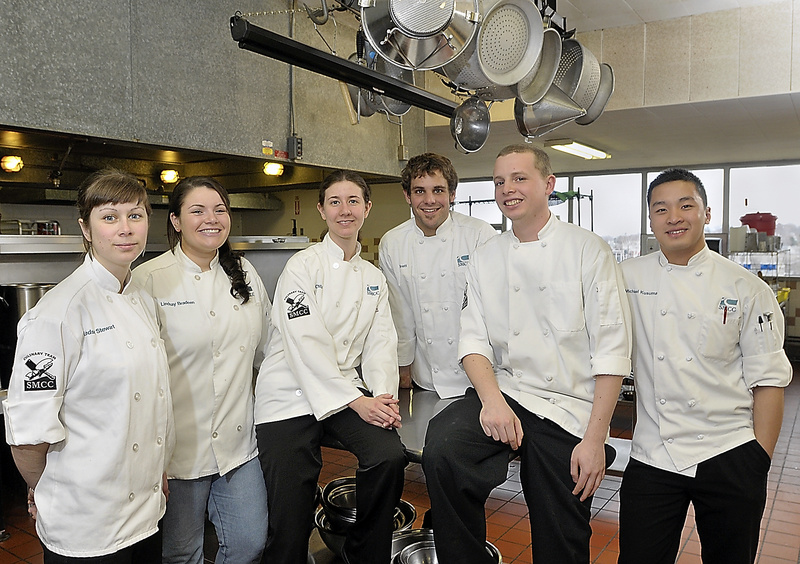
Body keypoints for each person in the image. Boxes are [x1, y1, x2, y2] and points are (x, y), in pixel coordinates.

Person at [422, 144, 632, 564]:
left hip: (569, 404)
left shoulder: (588, 251)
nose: (507, 189)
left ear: (548, 184)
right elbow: (474, 341)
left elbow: (612, 352)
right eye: (499, 181)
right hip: (510, 391)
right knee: (443, 446)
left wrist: (595, 440)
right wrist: (492, 400)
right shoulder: (486, 257)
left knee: (560, 520)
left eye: (519, 178)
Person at [618, 168, 793, 564]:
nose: (673, 217)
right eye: (661, 209)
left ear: (707, 213)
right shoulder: (626, 277)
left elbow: (769, 380)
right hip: (653, 453)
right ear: (650, 220)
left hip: (727, 450)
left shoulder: (746, 288)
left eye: (686, 205)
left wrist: (757, 462)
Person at [3, 169, 174, 562]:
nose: (125, 229)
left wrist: (154, 469)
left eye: (136, 215)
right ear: (85, 227)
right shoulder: (58, 313)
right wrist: (44, 487)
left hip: (145, 511)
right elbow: (28, 435)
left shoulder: (142, 300)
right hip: (86, 520)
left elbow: (149, 403)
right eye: (109, 217)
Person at [254, 170, 407, 564]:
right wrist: (358, 401)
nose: (345, 210)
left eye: (353, 201)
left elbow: (381, 343)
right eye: (335, 202)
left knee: (388, 456)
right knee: (291, 520)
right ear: (321, 210)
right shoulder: (301, 267)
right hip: (288, 394)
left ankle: (362, 552)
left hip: (345, 393)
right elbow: (306, 343)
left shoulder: (373, 278)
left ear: (367, 208)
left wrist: (384, 396)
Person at [132, 177, 269, 564]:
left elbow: (270, 348)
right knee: (181, 553)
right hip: (177, 454)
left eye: (220, 210)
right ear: (175, 221)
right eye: (197, 211)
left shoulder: (244, 273)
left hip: (238, 444)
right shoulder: (148, 280)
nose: (211, 219)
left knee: (248, 542)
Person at [379, 152, 496, 398]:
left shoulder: (478, 235)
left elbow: (494, 311)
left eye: (439, 190)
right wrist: (403, 366)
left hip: (481, 377)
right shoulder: (393, 242)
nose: (429, 200)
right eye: (419, 191)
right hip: (426, 377)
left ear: (452, 195)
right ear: (407, 196)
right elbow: (401, 313)